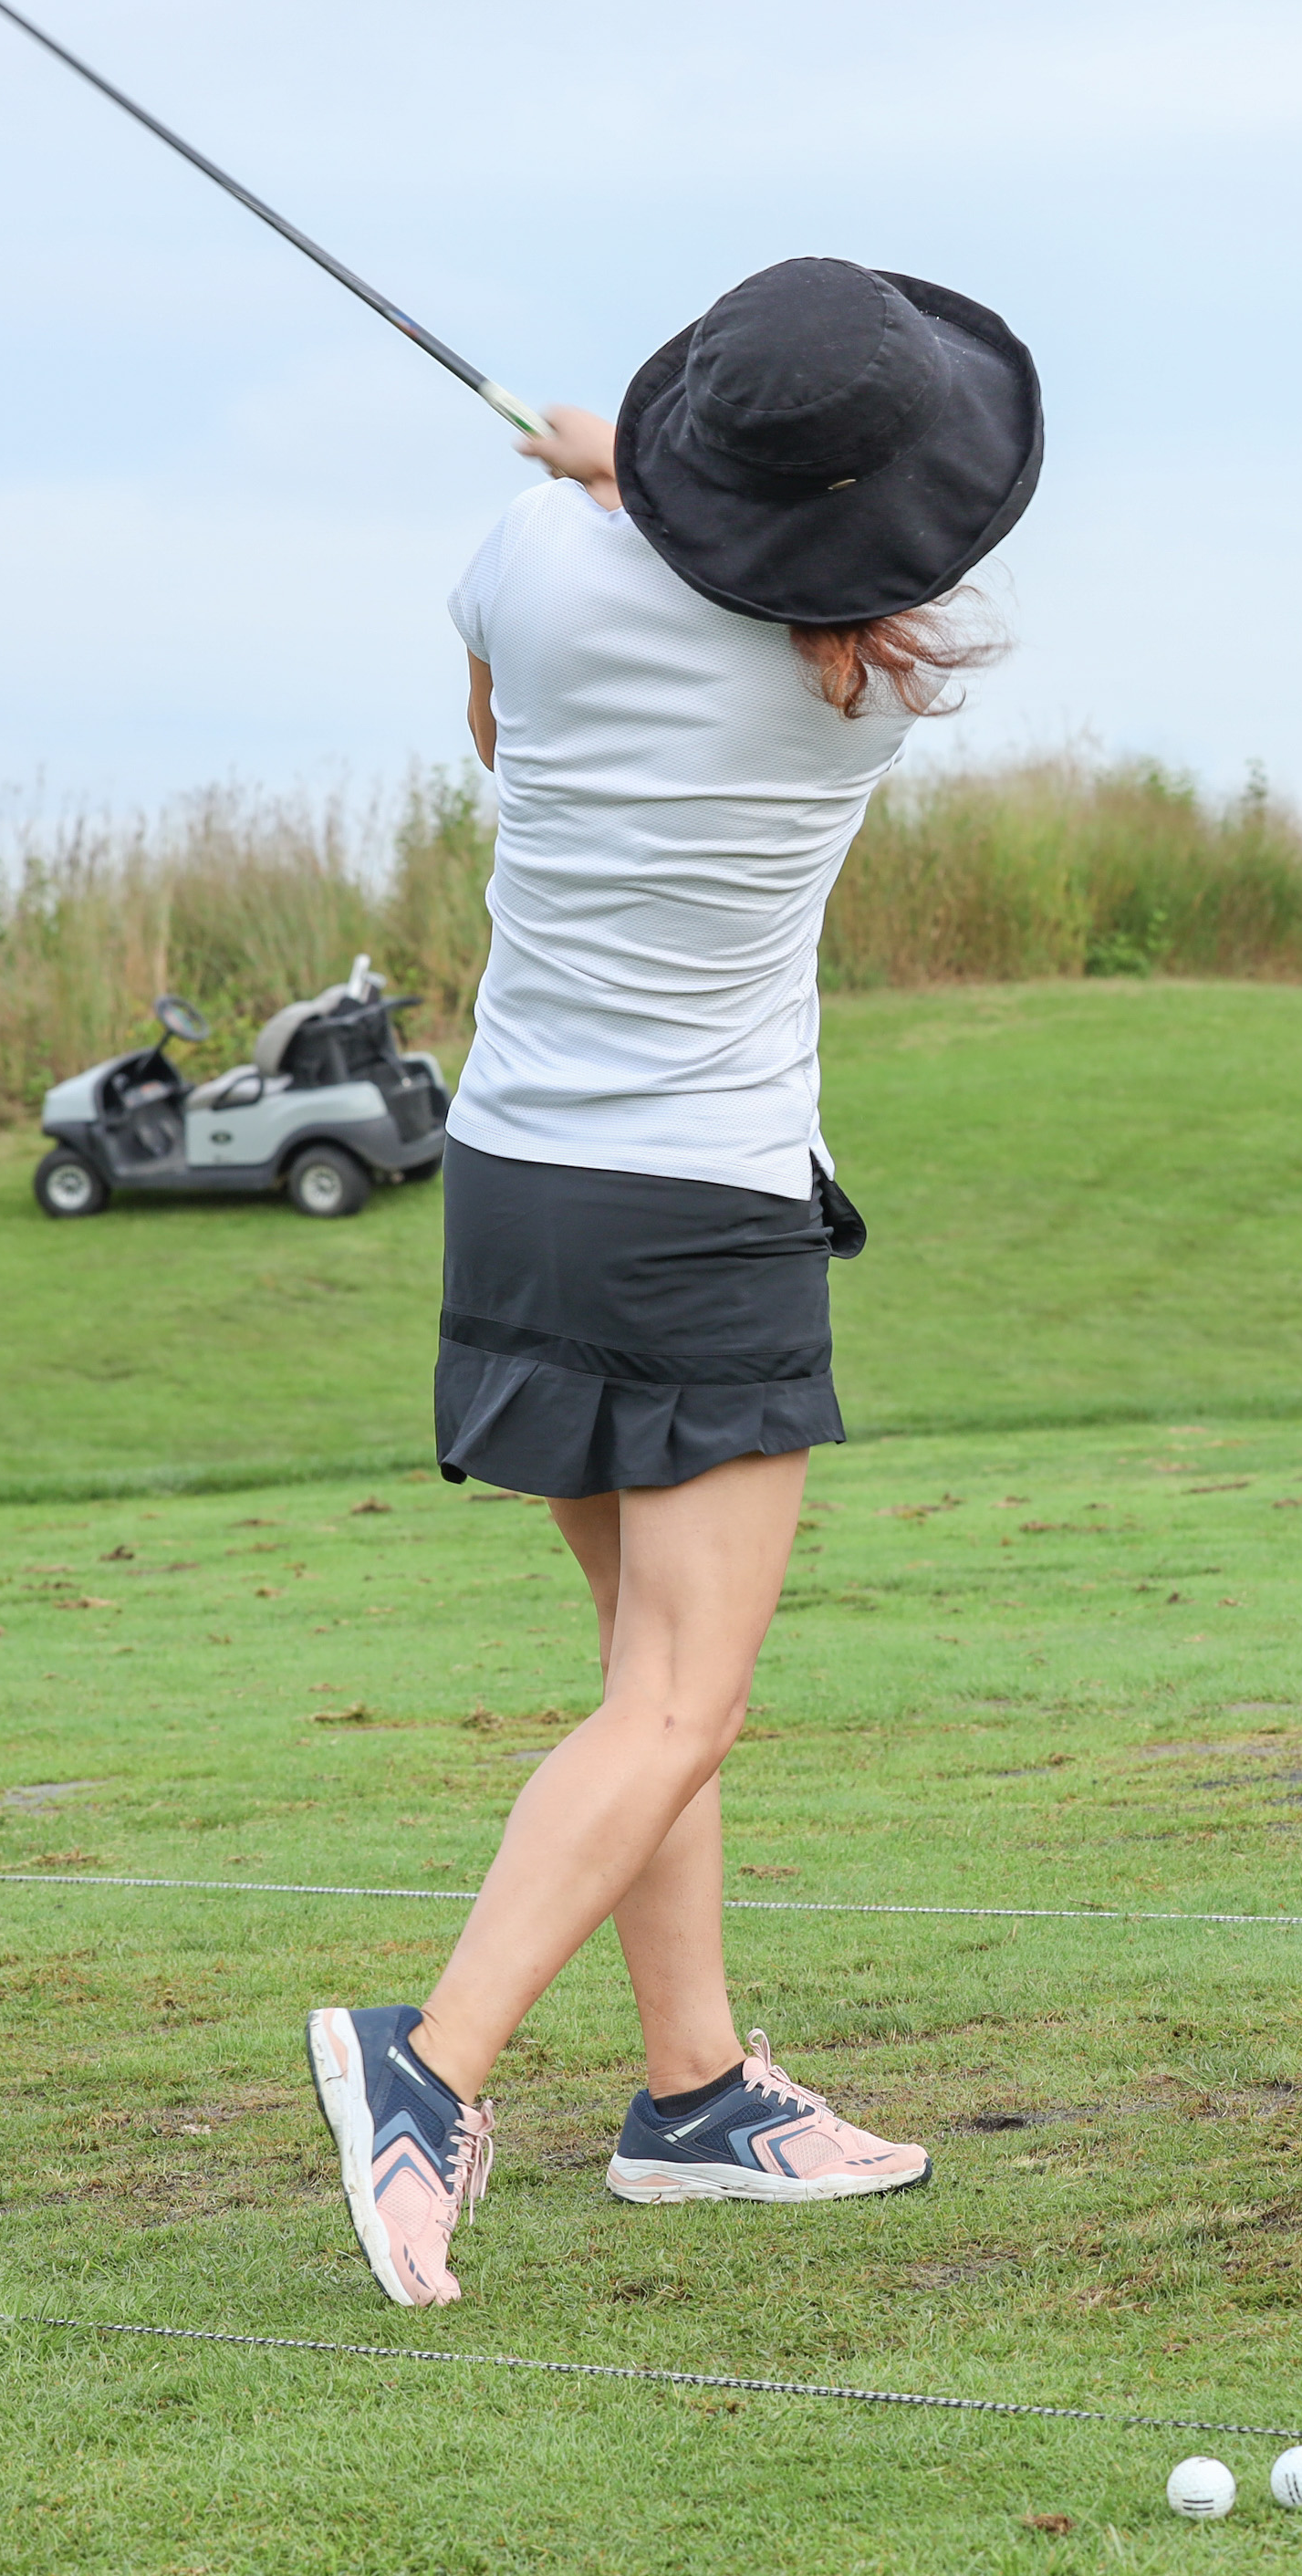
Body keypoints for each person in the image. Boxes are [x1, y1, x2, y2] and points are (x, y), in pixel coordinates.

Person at [304, 257, 1043, 2308]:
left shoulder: (529, 557)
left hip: (518, 1182)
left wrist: (602, 477)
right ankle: (430, 2065)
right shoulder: (861, 691)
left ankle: (697, 2093)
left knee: (645, 1676)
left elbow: (497, 720)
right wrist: (636, 477)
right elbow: (776, 568)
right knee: (681, 1701)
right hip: (703, 1211)